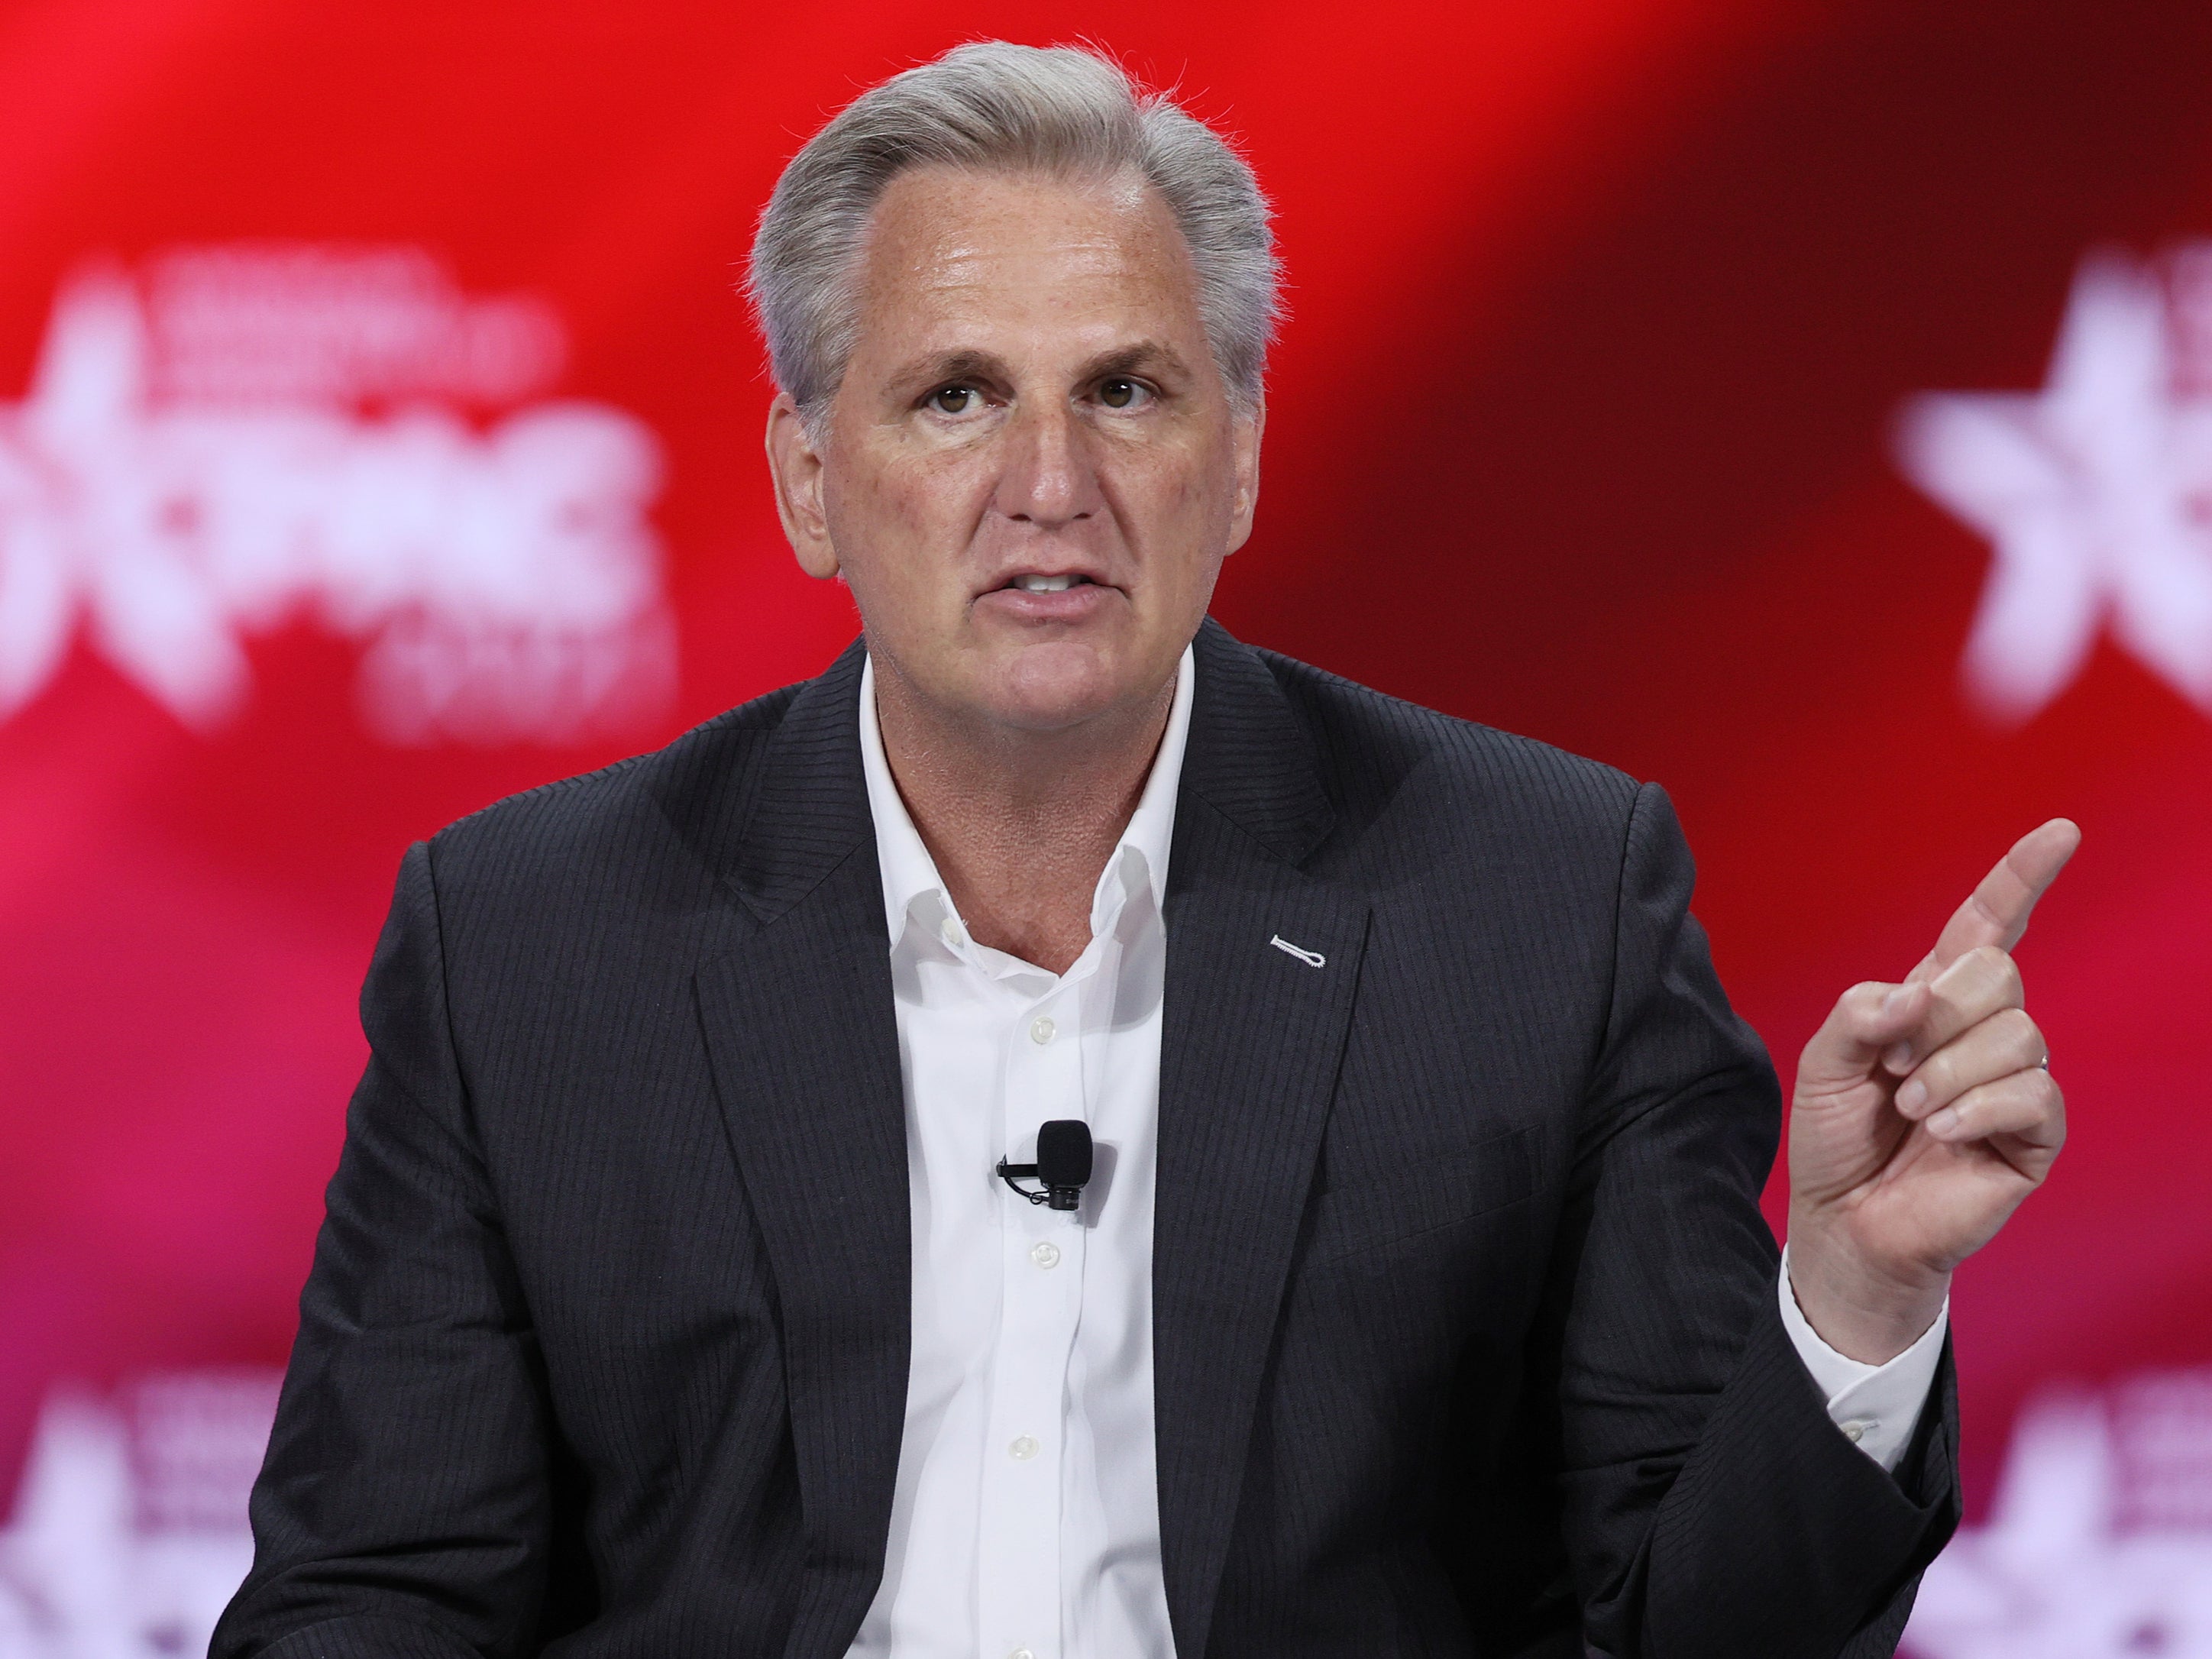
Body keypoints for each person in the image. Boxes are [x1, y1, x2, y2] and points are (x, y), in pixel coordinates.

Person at [212, 41, 2078, 1659]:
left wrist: (1850, 1299)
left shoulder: (1543, 903)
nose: (1050, 483)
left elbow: (1698, 1629)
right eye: (956, 395)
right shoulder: (534, 938)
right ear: (806, 480)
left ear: (1239, 457)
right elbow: (377, 1590)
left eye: (1125, 388)